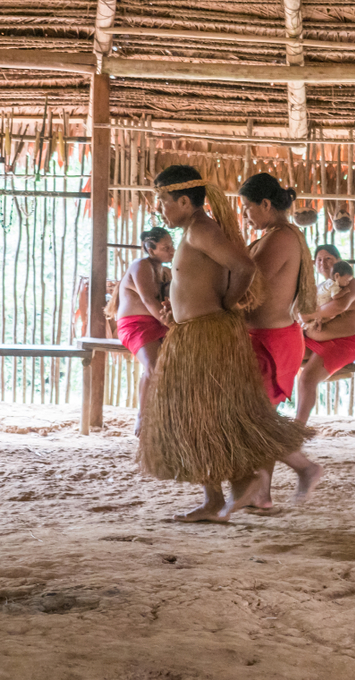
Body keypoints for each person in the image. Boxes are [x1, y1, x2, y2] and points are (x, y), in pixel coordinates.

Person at [137, 165, 311, 523]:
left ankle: (259, 482)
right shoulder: (193, 232)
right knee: (201, 419)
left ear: (184, 200)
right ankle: (219, 498)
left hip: (208, 335)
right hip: (194, 333)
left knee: (219, 418)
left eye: (163, 201)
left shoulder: (202, 229)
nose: (160, 209)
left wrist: (228, 304)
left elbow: (244, 268)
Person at [236, 173, 325, 507]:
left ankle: (305, 468)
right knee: (263, 417)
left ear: (266, 204)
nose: (245, 215)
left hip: (273, 340)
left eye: (247, 208)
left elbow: (248, 284)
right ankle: (262, 494)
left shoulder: (281, 238)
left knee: (258, 418)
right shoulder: (275, 234)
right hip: (264, 336)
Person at [106, 227, 175, 436]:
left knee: (167, 368)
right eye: (166, 247)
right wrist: (172, 325)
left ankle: (165, 416)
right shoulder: (140, 266)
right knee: (154, 367)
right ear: (150, 248)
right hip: (135, 325)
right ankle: (142, 418)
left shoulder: (165, 271)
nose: (172, 251)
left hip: (157, 323)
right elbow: (147, 299)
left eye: (172, 246)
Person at [296, 260, 355, 425]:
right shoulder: (322, 286)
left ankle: (298, 428)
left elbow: (339, 306)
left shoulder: (350, 283)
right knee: (283, 358)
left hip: (343, 344)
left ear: (337, 262)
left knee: (307, 379)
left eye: (328, 258)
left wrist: (309, 315)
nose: (323, 263)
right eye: (319, 259)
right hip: (315, 341)